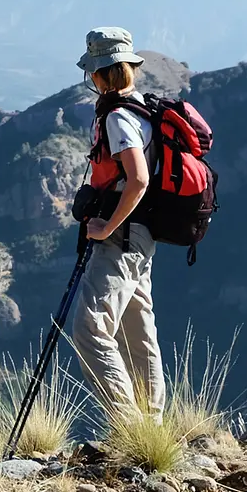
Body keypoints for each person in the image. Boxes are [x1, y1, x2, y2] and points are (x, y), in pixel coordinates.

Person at [71, 26, 166, 421]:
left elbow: (139, 178)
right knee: (137, 331)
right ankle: (153, 427)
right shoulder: (143, 108)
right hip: (143, 236)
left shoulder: (118, 118)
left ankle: (128, 427)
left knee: (89, 330)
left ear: (101, 73)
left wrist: (107, 227)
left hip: (123, 237)